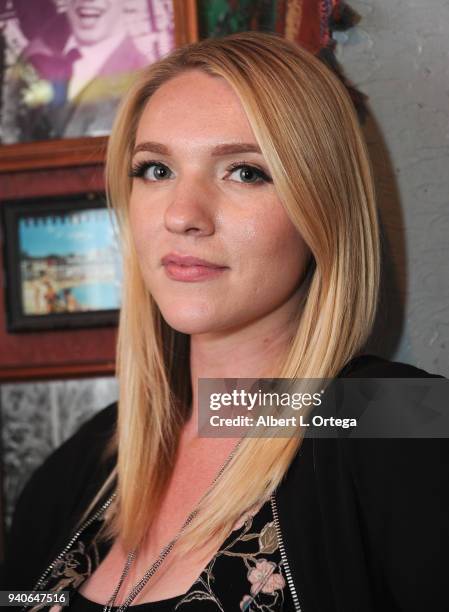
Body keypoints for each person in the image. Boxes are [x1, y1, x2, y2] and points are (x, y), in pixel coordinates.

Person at [4, 31, 449, 611]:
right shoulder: (78, 467)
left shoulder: (407, 424)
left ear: (322, 208)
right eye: (156, 170)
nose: (183, 215)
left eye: (245, 172)